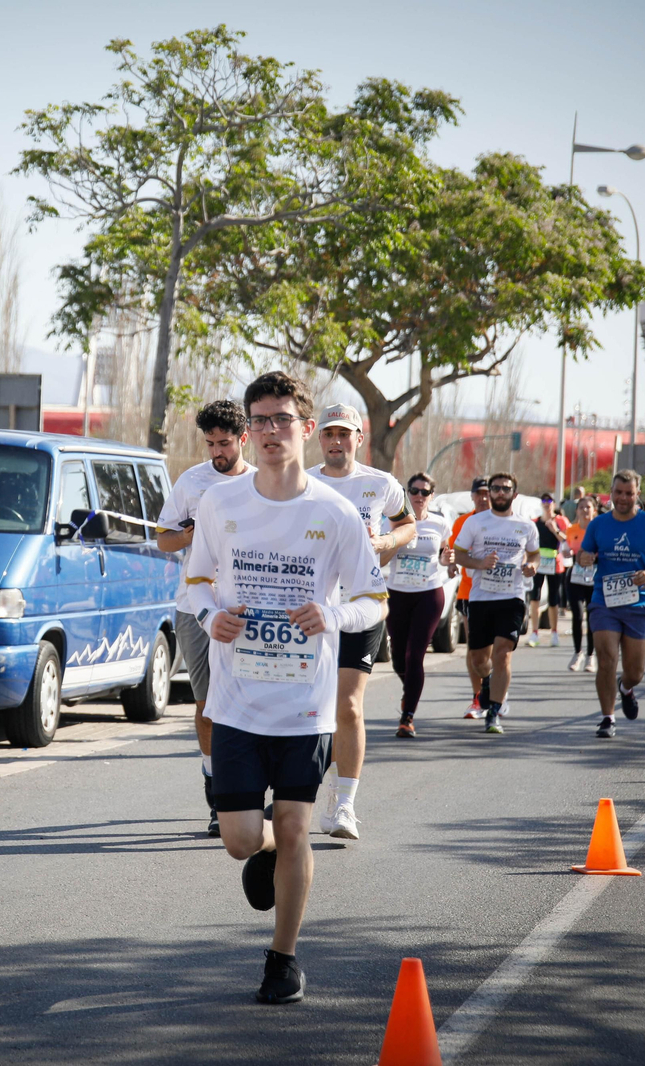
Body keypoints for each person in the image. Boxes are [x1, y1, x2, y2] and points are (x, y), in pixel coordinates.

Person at [185, 371, 385, 1005]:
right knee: (241, 840)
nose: (271, 431)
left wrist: (333, 615)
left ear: (306, 427)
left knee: (298, 827)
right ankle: (265, 845)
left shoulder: (335, 511)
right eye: (260, 420)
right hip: (237, 703)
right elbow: (195, 581)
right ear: (249, 430)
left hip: (305, 705)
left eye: (282, 419)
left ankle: (283, 959)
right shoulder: (220, 503)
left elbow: (374, 598)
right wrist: (208, 615)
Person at [305, 402, 414, 839]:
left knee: (349, 704)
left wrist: (385, 540)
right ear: (319, 438)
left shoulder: (380, 483)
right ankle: (309, 786)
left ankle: (345, 805)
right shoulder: (302, 482)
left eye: (344, 434)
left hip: (362, 604)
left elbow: (408, 524)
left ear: (358, 438)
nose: (336, 441)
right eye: (329, 434)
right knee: (311, 704)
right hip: (312, 610)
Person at [156, 400, 254, 837]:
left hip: (247, 610)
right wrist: (187, 535)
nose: (217, 452)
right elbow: (163, 539)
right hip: (193, 608)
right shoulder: (192, 481)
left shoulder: (261, 482)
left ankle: (249, 789)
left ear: (243, 439)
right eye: (211, 443)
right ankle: (218, 795)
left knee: (247, 703)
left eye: (225, 443)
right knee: (207, 705)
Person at [577, 469, 645, 738]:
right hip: (604, 601)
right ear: (611, 493)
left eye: (629, 493)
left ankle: (626, 688)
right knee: (606, 658)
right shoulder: (598, 524)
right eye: (618, 492)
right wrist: (585, 558)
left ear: (637, 494)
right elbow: (584, 553)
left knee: (635, 672)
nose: (622, 498)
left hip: (637, 602)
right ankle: (608, 718)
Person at [451, 473, 540, 735]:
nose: (501, 492)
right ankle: (487, 680)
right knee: (479, 659)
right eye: (496, 488)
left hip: (512, 597)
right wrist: (479, 563)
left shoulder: (526, 526)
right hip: (481, 598)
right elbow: (459, 554)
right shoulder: (475, 522)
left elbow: (534, 554)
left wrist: (532, 566)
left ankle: (494, 713)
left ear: (515, 494)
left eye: (506, 489)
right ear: (489, 492)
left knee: (503, 654)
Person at [384, 471, 454, 737]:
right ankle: (410, 690)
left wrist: (448, 561)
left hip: (428, 594)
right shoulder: (393, 521)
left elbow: (445, 554)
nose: (419, 496)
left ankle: (407, 717)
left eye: (425, 492)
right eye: (414, 491)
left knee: (415, 655)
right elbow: (382, 557)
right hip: (398, 593)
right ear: (407, 494)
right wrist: (397, 538)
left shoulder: (439, 523)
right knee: (398, 659)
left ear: (431, 496)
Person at [447, 477, 493, 717]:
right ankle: (478, 697)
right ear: (472, 496)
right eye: (479, 493)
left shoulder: (503, 522)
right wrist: (450, 564)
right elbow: (452, 551)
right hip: (469, 592)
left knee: (495, 649)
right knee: (474, 648)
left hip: (500, 593)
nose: (483, 498)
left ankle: (495, 692)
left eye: (487, 493)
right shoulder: (462, 522)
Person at [526, 494, 567, 648]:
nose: (546, 503)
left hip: (555, 563)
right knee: (535, 597)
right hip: (538, 563)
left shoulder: (561, 520)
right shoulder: (535, 522)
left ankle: (554, 632)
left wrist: (555, 530)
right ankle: (534, 632)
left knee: (553, 598)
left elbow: (567, 540)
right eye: (544, 501)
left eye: (549, 501)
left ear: (554, 504)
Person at [563, 495, 598, 671]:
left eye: (588, 507)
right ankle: (578, 653)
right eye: (581, 507)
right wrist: (567, 553)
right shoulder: (571, 530)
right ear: (576, 511)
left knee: (592, 617)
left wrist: (594, 557)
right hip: (575, 577)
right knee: (577, 615)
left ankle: (591, 656)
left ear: (594, 510)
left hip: (594, 578)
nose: (585, 510)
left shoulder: (598, 530)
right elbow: (565, 549)